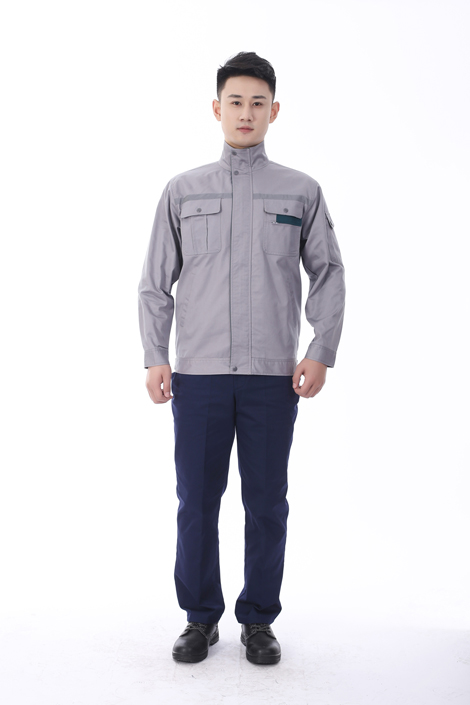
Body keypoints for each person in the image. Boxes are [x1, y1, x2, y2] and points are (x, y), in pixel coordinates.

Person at [137, 51, 346, 666]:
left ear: (274, 111)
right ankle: (200, 617)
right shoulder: (183, 190)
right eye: (236, 101)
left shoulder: (301, 191)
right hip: (198, 376)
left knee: (267, 504)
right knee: (197, 502)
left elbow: (328, 273)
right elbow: (154, 282)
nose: (246, 112)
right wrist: (155, 354)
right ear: (216, 108)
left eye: (258, 102)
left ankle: (258, 620)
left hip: (272, 379)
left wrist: (321, 350)